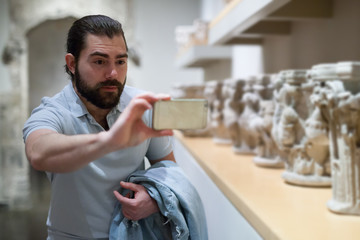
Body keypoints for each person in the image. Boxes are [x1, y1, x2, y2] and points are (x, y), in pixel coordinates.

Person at [23, 15, 176, 239]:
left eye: (120, 61)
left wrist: (154, 197)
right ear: (72, 64)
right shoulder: (54, 111)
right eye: (99, 61)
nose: (113, 74)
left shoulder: (142, 106)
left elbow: (166, 165)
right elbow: (38, 152)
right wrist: (110, 141)